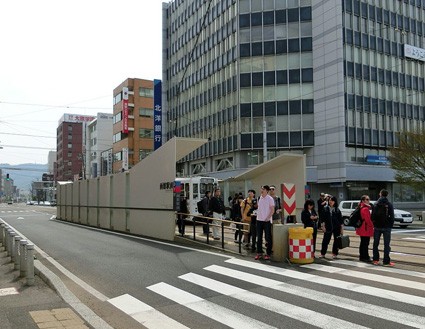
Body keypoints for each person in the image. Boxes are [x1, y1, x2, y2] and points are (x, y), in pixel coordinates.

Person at [372, 189, 395, 266]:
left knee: (375, 244)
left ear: (380, 194)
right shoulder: (389, 204)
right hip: (386, 227)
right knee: (386, 244)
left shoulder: (375, 204)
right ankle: (386, 261)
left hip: (377, 227)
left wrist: (374, 224)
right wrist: (390, 225)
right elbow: (392, 216)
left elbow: (372, 216)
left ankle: (375, 259)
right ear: (387, 195)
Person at [255, 185, 275, 260]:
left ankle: (268, 253)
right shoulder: (259, 198)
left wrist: (268, 217)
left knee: (268, 237)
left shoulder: (270, 199)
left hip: (267, 221)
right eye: (261, 189)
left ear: (267, 190)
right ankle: (259, 252)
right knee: (259, 237)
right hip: (259, 220)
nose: (261, 190)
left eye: (263, 189)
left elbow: (272, 210)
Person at [355, 195, 374, 263]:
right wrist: (372, 226)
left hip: (361, 228)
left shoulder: (360, 207)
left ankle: (362, 256)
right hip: (365, 229)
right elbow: (368, 220)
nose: (369, 201)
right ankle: (365, 257)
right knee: (365, 244)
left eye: (369, 199)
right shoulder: (365, 209)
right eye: (367, 199)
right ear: (363, 200)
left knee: (363, 243)